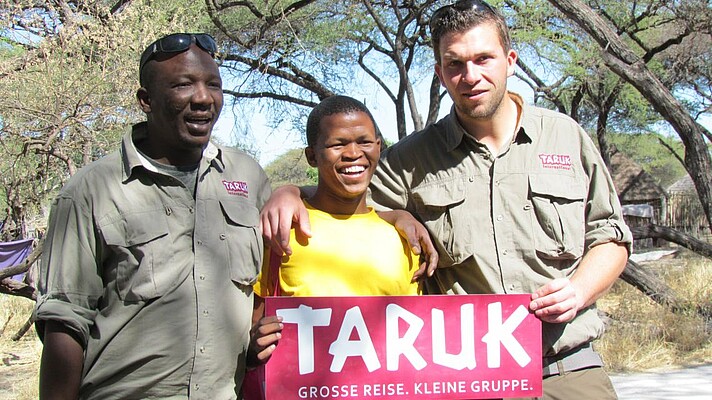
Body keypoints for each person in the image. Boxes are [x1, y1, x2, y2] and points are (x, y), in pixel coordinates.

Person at [259, 2, 633, 399]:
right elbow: (345, 198)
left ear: (510, 60)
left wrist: (577, 290)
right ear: (440, 73)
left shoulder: (566, 136)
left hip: (567, 366)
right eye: (455, 64)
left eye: (483, 59)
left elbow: (611, 238)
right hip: (468, 377)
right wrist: (290, 192)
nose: (470, 76)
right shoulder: (409, 160)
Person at [34, 33, 271, 399]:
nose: (203, 99)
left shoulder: (247, 176)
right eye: (183, 85)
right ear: (146, 100)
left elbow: (258, 288)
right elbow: (66, 322)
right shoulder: (90, 191)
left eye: (213, 85)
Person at [248, 96, 420, 373]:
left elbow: (416, 339)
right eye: (337, 144)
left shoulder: (404, 238)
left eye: (364, 142)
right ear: (312, 156)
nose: (353, 153)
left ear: (378, 147)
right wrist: (255, 345)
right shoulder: (281, 229)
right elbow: (252, 326)